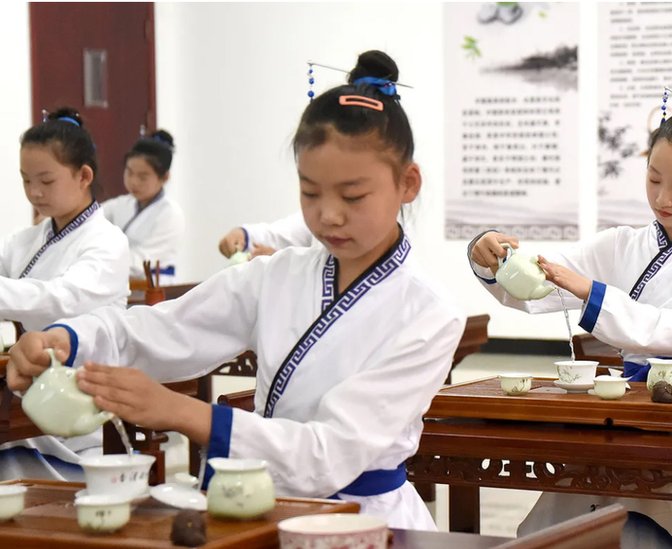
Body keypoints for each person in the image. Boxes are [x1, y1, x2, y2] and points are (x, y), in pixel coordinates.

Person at [7, 50, 464, 530]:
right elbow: (163, 329)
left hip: (365, 523)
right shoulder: (276, 275)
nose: (328, 214)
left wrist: (180, 411)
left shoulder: (430, 313)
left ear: (407, 183)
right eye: (310, 193)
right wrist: (68, 340)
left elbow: (328, 453)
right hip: (258, 506)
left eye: (353, 196)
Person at [468, 86, 672, 548]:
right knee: (563, 526)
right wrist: (495, 255)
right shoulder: (620, 243)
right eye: (654, 178)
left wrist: (589, 291)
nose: (663, 197)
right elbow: (540, 283)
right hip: (623, 402)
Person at [0, 107, 129, 479]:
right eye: (26, 181)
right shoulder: (24, 241)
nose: (34, 192)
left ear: (84, 175)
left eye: (46, 180)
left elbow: (59, 299)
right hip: (28, 388)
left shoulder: (107, 242)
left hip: (84, 395)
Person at [102, 130, 185, 283]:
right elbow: (90, 218)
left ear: (164, 177)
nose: (133, 181)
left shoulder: (170, 214)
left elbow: (143, 261)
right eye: (129, 172)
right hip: (121, 283)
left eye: (142, 176)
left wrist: (99, 259)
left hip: (154, 288)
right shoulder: (122, 203)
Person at [217, 211, 314, 259]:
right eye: (310, 194)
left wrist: (281, 260)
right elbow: (282, 234)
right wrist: (245, 235)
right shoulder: (311, 220)